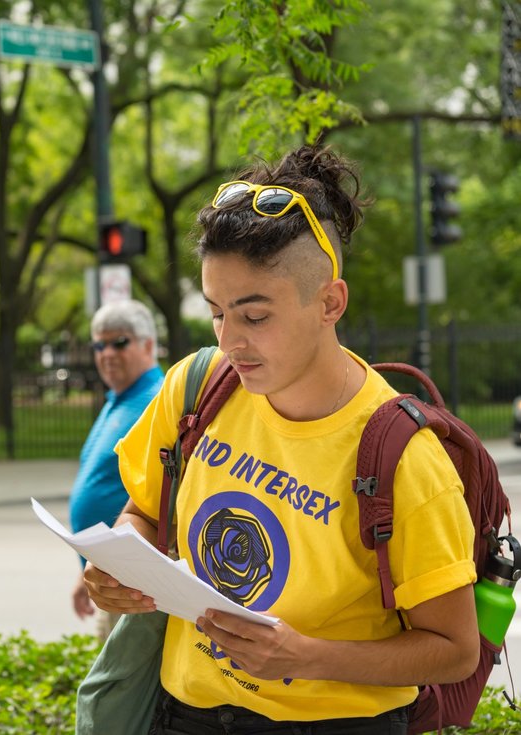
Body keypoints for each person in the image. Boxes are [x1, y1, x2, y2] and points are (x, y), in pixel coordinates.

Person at [83, 144, 478, 733]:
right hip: (182, 712)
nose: (230, 340)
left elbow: (455, 650)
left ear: (330, 303)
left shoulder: (401, 454)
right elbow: (143, 510)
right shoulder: (196, 386)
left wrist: (307, 657)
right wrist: (118, 563)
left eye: (255, 315)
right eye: (218, 313)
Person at [69, 299, 164, 640]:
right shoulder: (118, 399)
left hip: (135, 589)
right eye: (99, 344)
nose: (107, 353)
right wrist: (86, 573)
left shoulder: (158, 399)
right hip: (109, 579)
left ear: (148, 344)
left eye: (119, 342)